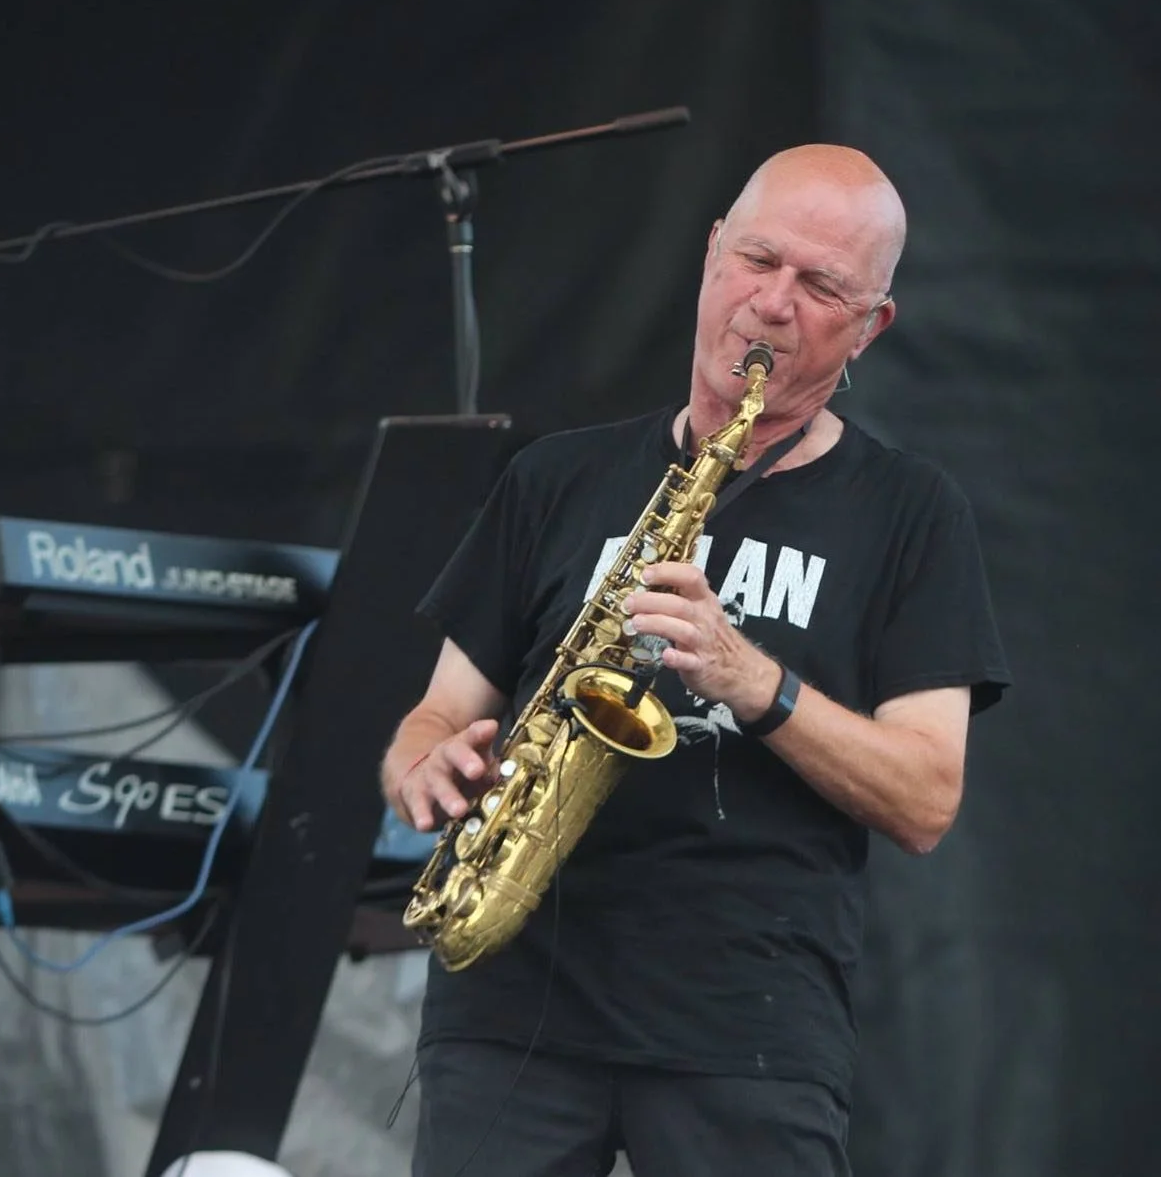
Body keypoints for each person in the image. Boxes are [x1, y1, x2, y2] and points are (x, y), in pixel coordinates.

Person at [380, 144, 1010, 1177]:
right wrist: (425, 762)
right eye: (758, 260)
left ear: (870, 325)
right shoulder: (556, 476)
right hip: (512, 1006)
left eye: (819, 287)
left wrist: (750, 678)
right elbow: (434, 715)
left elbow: (926, 797)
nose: (771, 304)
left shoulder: (910, 513)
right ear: (711, 250)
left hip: (747, 1023)